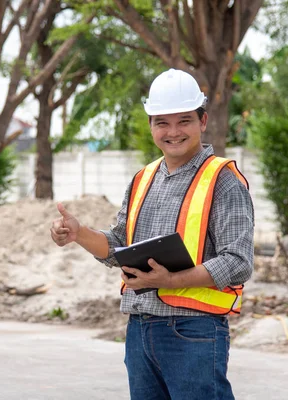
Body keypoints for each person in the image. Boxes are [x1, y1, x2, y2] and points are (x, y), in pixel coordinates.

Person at [50, 68, 254, 400]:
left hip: (194, 331)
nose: (173, 132)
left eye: (184, 120)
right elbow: (119, 244)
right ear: (151, 126)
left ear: (202, 121)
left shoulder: (224, 181)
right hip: (140, 328)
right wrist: (79, 233)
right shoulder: (142, 178)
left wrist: (171, 281)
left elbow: (239, 262)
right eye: (162, 122)